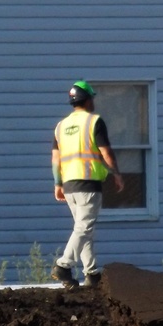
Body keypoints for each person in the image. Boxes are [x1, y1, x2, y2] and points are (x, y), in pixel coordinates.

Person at [51, 80, 124, 288]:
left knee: (83, 229)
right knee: (84, 227)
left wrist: (57, 183)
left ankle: (91, 273)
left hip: (69, 185)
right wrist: (116, 173)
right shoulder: (94, 122)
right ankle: (63, 266)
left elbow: (55, 159)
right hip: (88, 183)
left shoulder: (61, 126)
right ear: (89, 99)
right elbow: (106, 151)